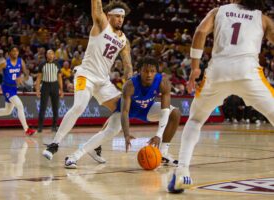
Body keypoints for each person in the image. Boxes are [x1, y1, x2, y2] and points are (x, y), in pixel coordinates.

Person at [168, 0, 274, 193]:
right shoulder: (263, 18)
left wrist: (194, 69)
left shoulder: (218, 11)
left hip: (218, 71)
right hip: (248, 72)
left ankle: (182, 171)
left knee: (196, 120)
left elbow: (200, 32)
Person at [42, 0, 133, 160]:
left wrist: (129, 80)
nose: (120, 20)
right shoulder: (101, 24)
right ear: (109, 16)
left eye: (122, 17)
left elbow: (127, 64)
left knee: (121, 110)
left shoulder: (124, 40)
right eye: (117, 16)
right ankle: (54, 144)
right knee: (79, 106)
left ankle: (94, 145)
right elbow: (96, 7)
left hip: (103, 82)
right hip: (86, 75)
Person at [64, 57, 181, 169]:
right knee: (110, 131)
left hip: (147, 110)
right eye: (145, 71)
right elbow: (125, 112)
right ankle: (73, 157)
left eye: (152, 71)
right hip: (127, 110)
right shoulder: (130, 85)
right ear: (139, 71)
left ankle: (163, 154)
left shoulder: (163, 83)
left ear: (156, 72)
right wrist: (126, 134)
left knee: (174, 113)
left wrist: (158, 135)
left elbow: (165, 111)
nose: (149, 74)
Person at [0, 46, 36, 136]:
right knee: (20, 105)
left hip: (14, 88)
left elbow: (26, 75)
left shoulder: (20, 61)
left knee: (8, 111)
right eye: (13, 51)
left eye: (17, 51)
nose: (15, 53)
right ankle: (27, 129)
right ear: (9, 53)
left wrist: (21, 78)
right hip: (6, 88)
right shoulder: (5, 63)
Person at [35, 49, 64, 133]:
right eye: (49, 53)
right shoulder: (42, 65)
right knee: (42, 107)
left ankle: (54, 126)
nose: (50, 55)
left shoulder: (57, 65)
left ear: (54, 55)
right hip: (45, 86)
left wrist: (61, 89)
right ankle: (40, 127)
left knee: (55, 107)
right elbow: (39, 78)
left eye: (52, 53)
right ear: (46, 55)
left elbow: (59, 78)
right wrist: (37, 89)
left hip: (55, 86)